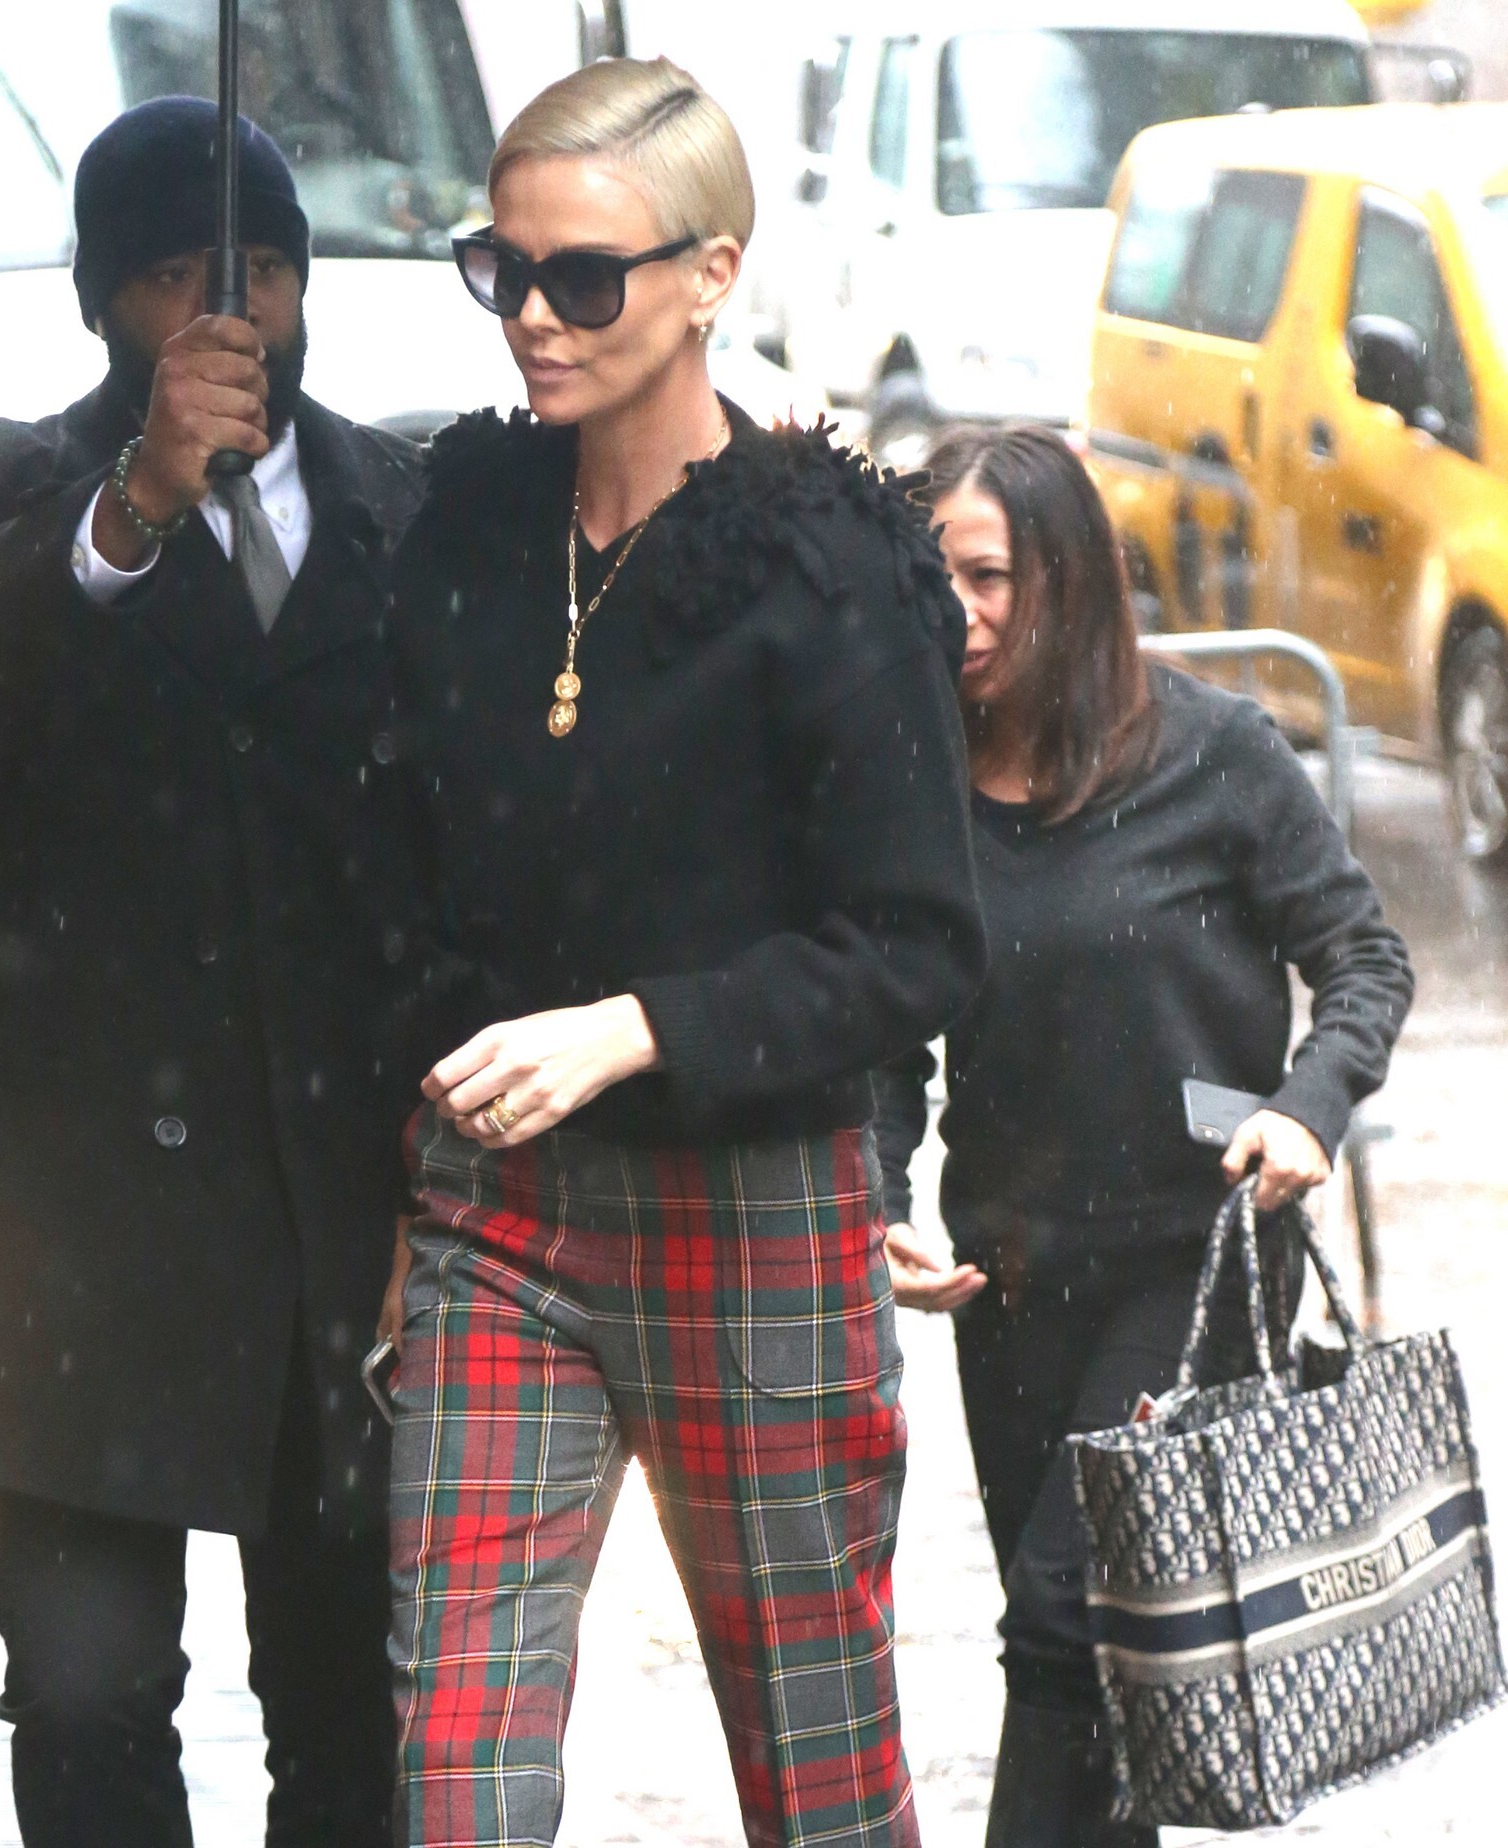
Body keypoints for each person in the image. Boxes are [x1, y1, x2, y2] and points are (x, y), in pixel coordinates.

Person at [377, 56, 985, 1848]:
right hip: (496, 1208)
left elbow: (919, 944)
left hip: (757, 1211)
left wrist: (641, 1024)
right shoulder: (471, 519)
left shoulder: (830, 561)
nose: (533, 318)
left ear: (714, 275)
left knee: (817, 1764)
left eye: (585, 278)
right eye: (503, 270)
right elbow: (398, 856)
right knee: (456, 1770)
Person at [0, 99, 427, 1848]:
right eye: (178, 277)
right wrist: (137, 501)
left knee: (353, 1708)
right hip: (69, 1218)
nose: (234, 313)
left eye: (266, 268)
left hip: (332, 1211)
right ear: (99, 300)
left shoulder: (401, 503)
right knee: (86, 1703)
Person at [872, 425, 1414, 1847]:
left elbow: (1363, 957)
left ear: (1066, 579)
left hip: (1192, 1267)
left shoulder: (1214, 750)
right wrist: (878, 1196)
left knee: (1066, 1620)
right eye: (932, 579)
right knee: (1102, 1674)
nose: (955, 611)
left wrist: (1308, 1107)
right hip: (1008, 1281)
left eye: (988, 577)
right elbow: (887, 1026)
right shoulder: (919, 781)